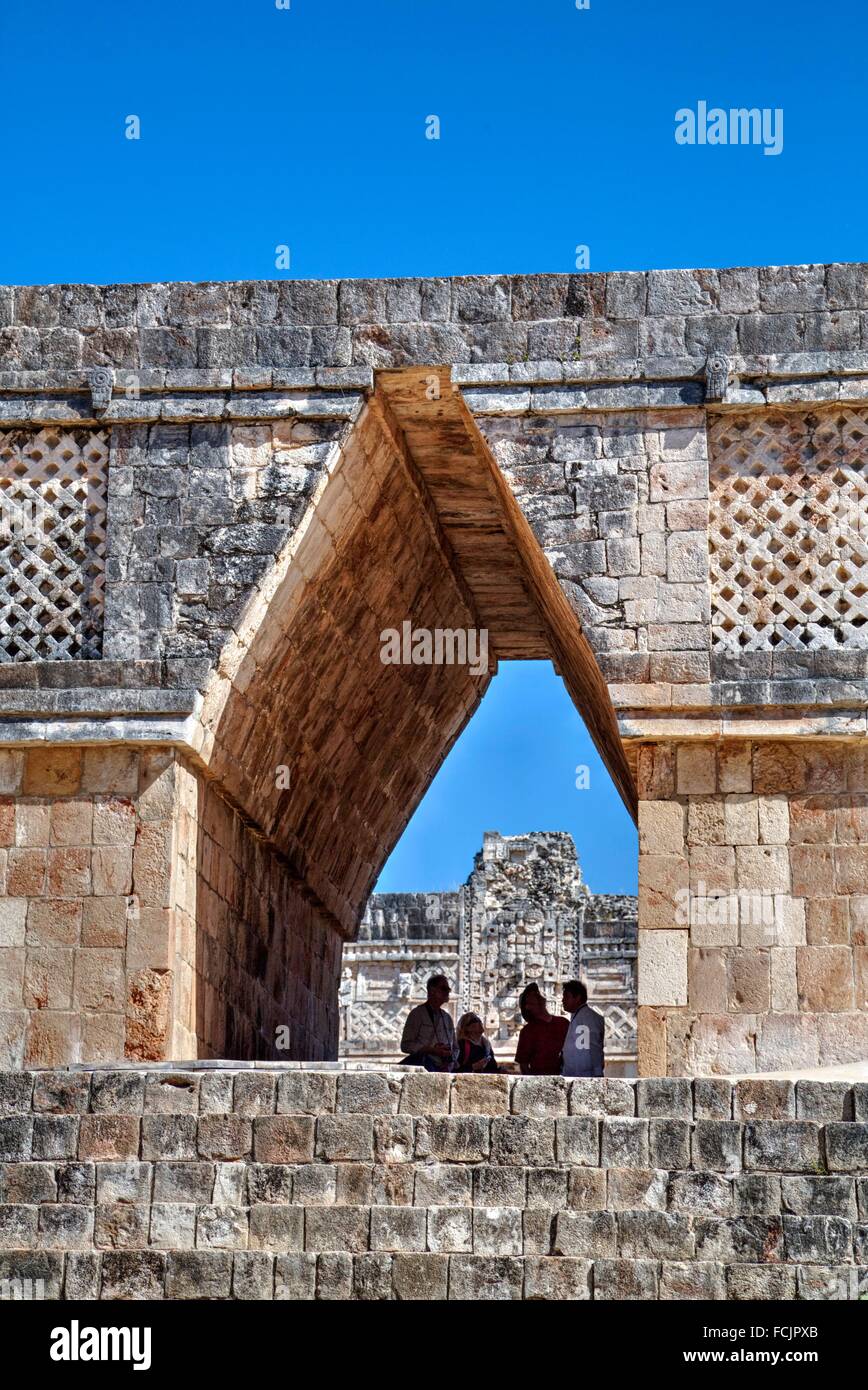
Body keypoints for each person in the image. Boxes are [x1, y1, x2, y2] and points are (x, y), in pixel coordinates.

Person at [399, 974, 458, 1071]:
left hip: (445, 1069)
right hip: (424, 1068)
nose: (448, 991)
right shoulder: (417, 1014)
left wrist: (450, 1059)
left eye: (448, 989)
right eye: (444, 988)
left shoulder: (447, 1018)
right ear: (432, 991)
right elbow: (405, 1045)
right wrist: (432, 1050)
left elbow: (455, 1048)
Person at [514, 983, 569, 1075]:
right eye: (532, 995)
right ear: (528, 1006)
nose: (538, 995)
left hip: (565, 1076)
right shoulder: (528, 1031)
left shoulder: (563, 1022)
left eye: (537, 992)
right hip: (541, 1079)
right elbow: (523, 1064)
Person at [560, 979, 605, 1078]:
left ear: (578, 998)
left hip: (583, 1076)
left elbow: (593, 1046)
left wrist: (597, 1074)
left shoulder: (587, 1018)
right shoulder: (578, 1016)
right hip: (575, 1074)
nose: (563, 1000)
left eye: (566, 997)